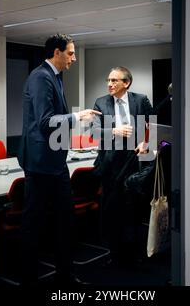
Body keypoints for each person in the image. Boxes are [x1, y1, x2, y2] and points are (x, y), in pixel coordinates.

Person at [18, 33, 101, 285]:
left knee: (64, 221)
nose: (74, 58)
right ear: (57, 52)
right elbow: (45, 123)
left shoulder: (54, 77)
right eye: (71, 53)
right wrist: (78, 117)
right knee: (35, 225)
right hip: (41, 163)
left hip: (54, 162)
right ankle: (28, 279)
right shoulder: (41, 77)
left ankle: (65, 276)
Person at [91, 66, 153, 268]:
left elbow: (152, 126)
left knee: (133, 208)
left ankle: (135, 251)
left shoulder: (140, 100)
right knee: (111, 209)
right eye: (108, 80)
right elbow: (94, 131)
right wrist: (115, 131)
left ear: (126, 83)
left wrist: (146, 142)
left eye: (114, 81)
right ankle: (114, 252)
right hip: (110, 163)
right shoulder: (101, 102)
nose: (109, 84)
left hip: (134, 161)